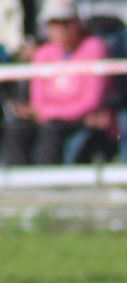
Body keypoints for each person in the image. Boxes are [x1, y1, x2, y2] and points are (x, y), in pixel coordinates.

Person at [3, 0, 115, 165]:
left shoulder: (94, 48)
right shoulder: (44, 53)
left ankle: (50, 185)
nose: (60, 29)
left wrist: (48, 113)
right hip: (54, 117)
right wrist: (46, 113)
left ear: (77, 23)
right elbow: (38, 99)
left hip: (79, 120)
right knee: (19, 128)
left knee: (52, 130)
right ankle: (17, 181)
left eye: (66, 22)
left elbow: (91, 101)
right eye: (54, 23)